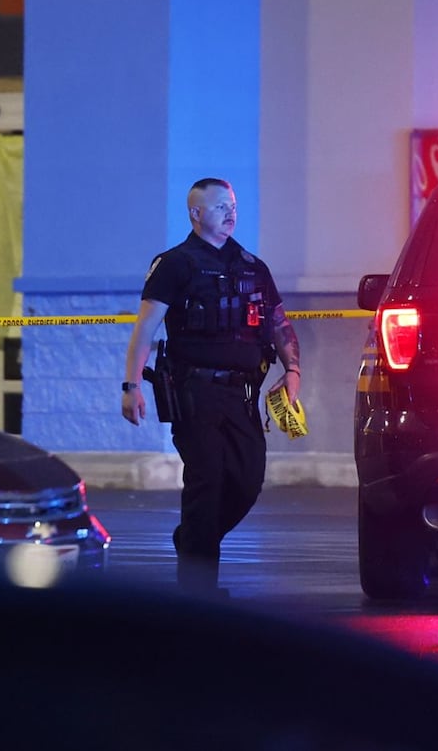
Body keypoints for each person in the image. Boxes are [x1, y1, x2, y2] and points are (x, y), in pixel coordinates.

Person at [121, 177, 302, 596]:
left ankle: (192, 544)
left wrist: (293, 371)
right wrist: (132, 384)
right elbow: (145, 327)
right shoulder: (175, 264)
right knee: (207, 482)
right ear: (196, 213)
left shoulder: (253, 266)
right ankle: (197, 590)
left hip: (243, 395)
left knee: (248, 479)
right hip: (195, 393)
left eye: (233, 205)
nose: (231, 213)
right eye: (220, 206)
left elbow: (279, 324)